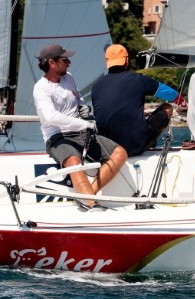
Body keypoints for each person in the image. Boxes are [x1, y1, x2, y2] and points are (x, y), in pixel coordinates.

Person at [32, 43, 127, 201]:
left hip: (81, 133)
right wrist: (84, 124)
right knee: (74, 162)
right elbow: (51, 117)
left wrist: (83, 107)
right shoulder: (40, 88)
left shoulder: (69, 77)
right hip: (58, 137)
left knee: (120, 153)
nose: (69, 62)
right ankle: (91, 203)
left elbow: (78, 98)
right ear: (52, 63)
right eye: (65, 59)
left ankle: (88, 196)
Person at [92, 44, 186, 156]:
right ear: (126, 60)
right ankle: (150, 142)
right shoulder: (138, 80)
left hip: (108, 148)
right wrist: (185, 106)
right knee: (167, 108)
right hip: (135, 146)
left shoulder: (96, 86)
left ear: (107, 62)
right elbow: (172, 95)